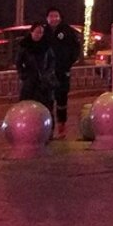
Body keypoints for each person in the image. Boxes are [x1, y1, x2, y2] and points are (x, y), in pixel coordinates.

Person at [43, 8, 82, 137]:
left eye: (56, 16)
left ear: (60, 17)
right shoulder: (43, 31)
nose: (53, 19)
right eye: (51, 16)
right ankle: (48, 129)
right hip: (46, 73)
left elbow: (76, 48)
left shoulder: (67, 31)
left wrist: (68, 62)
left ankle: (62, 127)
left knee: (61, 100)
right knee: (47, 101)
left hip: (62, 71)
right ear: (47, 18)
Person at [16, 22, 56, 110]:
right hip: (30, 80)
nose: (39, 35)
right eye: (37, 32)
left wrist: (48, 73)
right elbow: (18, 62)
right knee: (27, 105)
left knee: (46, 105)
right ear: (31, 32)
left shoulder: (46, 45)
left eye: (41, 32)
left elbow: (52, 61)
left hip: (44, 80)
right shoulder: (25, 45)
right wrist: (23, 75)